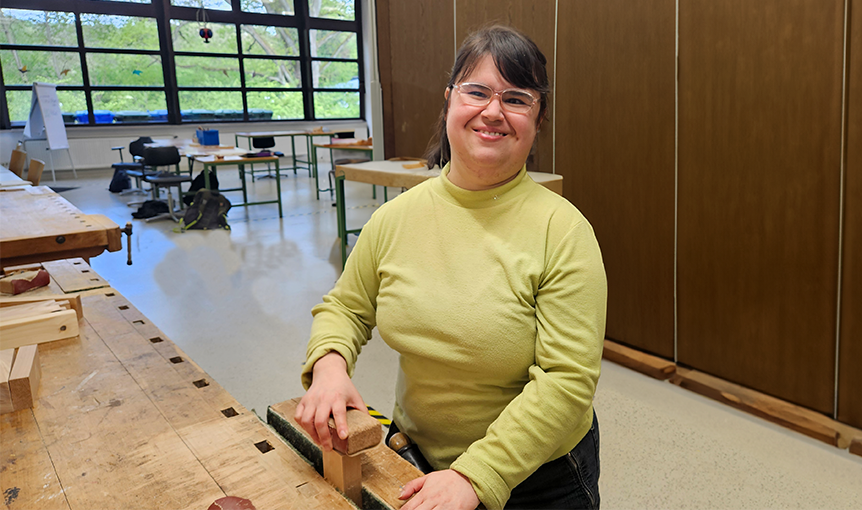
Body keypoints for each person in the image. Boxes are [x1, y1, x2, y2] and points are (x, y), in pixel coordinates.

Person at [296, 25, 607, 510]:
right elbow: (346, 307)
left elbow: (567, 381)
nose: (492, 111)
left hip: (535, 477)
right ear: (449, 102)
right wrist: (330, 364)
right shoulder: (396, 217)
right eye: (477, 91)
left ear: (538, 117)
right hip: (413, 458)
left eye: (517, 98)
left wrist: (475, 475)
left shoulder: (562, 232)